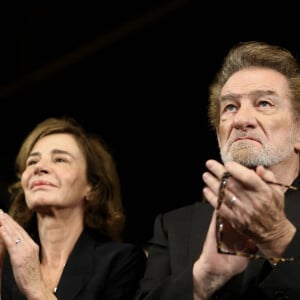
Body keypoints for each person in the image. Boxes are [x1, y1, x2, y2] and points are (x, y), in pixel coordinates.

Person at [134, 40, 300, 299]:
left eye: (264, 104)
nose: (241, 120)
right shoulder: (174, 227)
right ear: (219, 135)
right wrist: (203, 278)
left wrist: (279, 239)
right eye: (230, 107)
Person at [0, 117, 146, 299]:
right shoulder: (6, 264)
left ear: (92, 187)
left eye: (60, 160)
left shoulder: (120, 261)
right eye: (32, 162)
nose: (39, 168)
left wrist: (36, 288)